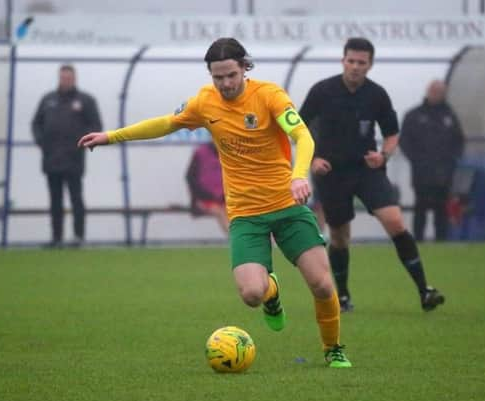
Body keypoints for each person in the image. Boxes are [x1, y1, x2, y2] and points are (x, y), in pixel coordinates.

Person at [78, 37, 351, 368]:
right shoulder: (205, 102)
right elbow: (166, 123)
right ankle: (270, 293)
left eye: (231, 75)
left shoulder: (269, 95)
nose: (225, 83)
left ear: (244, 68)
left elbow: (303, 136)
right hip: (245, 214)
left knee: (322, 285)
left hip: (287, 206)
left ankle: (333, 347)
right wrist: (111, 136)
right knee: (251, 294)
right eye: (217, 77)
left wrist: (298, 175)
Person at [299, 37, 445, 312]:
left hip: (367, 170)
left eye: (361, 62)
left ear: (370, 64)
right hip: (331, 174)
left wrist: (384, 156)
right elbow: (298, 129)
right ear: (343, 61)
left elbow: (392, 134)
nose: (355, 66)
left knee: (395, 222)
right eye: (350, 61)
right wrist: (314, 158)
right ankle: (342, 296)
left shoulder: (376, 94)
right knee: (340, 237)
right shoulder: (322, 91)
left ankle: (425, 291)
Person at [32, 64, 102, 248]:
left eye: (69, 78)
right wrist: (42, 142)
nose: (66, 81)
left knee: (76, 198)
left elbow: (96, 125)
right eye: (63, 78)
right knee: (55, 200)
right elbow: (36, 124)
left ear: (75, 79)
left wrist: (80, 143)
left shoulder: (85, 101)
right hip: (51, 159)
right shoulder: (48, 100)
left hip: (74, 160)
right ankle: (57, 238)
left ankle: (78, 237)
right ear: (59, 78)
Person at [400, 80, 465, 241]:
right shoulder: (414, 115)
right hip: (421, 173)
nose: (437, 94)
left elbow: (459, 140)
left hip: (444, 173)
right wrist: (416, 159)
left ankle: (441, 242)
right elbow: (404, 141)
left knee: (441, 209)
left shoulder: (449, 115)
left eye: (441, 92)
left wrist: (453, 160)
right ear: (428, 91)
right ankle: (419, 241)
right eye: (434, 91)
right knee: (420, 207)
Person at [185, 142, 229, 234]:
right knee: (220, 212)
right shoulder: (200, 153)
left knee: (230, 212)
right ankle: (233, 240)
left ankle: (239, 239)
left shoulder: (228, 153)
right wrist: (197, 199)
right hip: (204, 199)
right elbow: (190, 178)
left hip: (224, 199)